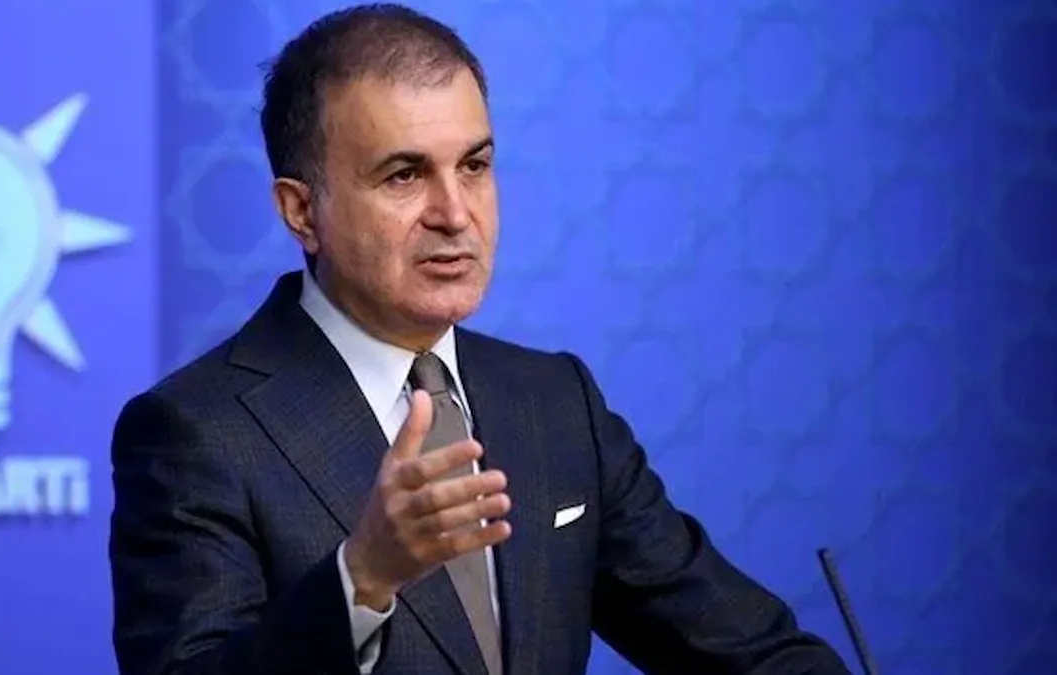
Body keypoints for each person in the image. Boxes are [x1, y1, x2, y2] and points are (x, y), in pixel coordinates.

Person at [109, 4, 852, 674]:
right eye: (404, 176)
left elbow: (739, 647)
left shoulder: (556, 403)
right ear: (302, 212)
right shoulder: (194, 433)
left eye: (475, 165)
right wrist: (362, 579)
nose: (456, 212)